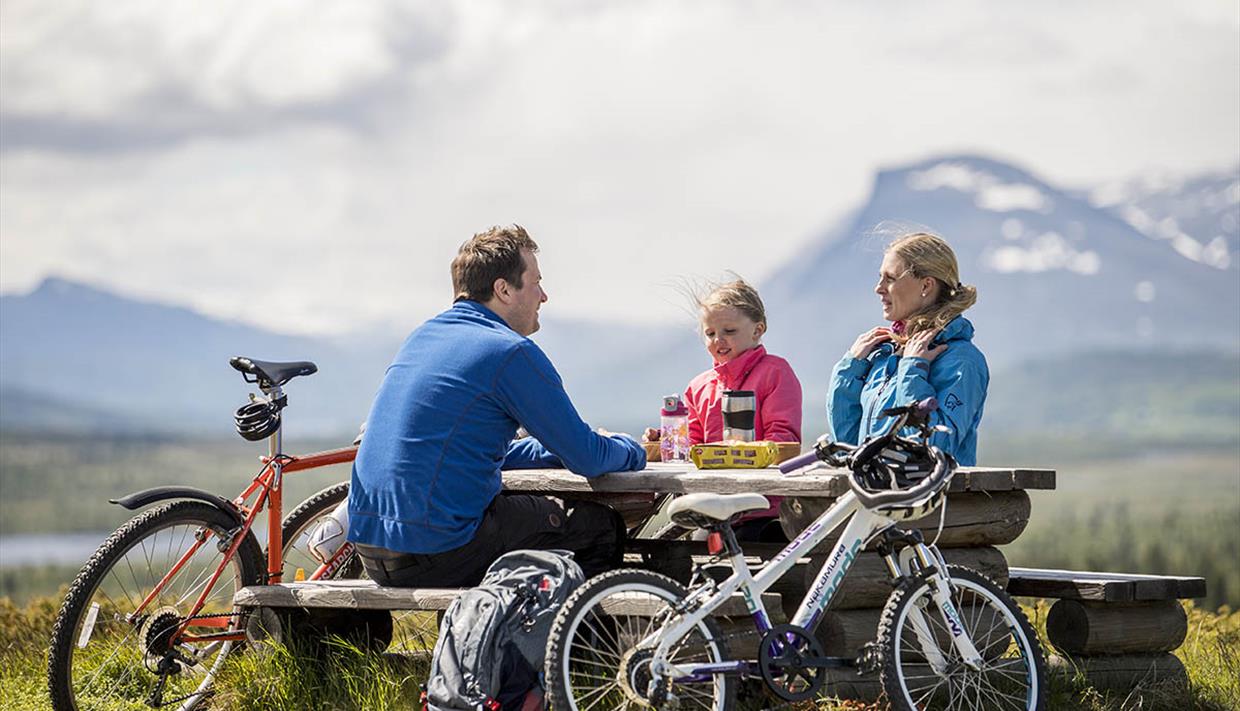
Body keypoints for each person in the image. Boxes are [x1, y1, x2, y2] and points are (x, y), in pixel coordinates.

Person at [347, 225, 647, 587]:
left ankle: (486, 640)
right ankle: (575, 644)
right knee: (598, 527)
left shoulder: (424, 337)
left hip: (373, 551)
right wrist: (633, 449)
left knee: (503, 520)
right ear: (504, 289)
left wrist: (549, 452)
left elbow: (465, 451)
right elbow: (589, 458)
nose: (544, 296)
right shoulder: (508, 352)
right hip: (438, 550)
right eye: (536, 281)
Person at [646, 278, 802, 541]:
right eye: (709, 333)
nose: (718, 339)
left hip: (762, 509)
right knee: (678, 555)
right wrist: (668, 443)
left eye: (729, 330)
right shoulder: (699, 386)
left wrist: (733, 454)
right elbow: (692, 446)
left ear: (757, 330)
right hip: (710, 506)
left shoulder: (775, 373)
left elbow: (783, 441)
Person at [827, 231, 988, 464]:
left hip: (933, 500)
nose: (878, 288)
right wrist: (849, 371)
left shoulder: (962, 360)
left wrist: (913, 370)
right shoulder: (884, 354)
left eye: (890, 278)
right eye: (880, 277)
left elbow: (935, 450)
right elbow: (849, 450)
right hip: (877, 498)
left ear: (926, 285)